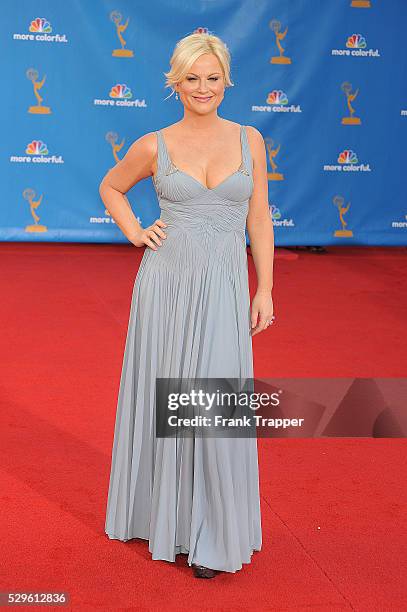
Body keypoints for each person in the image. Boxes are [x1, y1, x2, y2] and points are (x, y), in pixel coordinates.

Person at [99, 32, 275, 579]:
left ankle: (214, 534)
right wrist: (134, 232)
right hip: (166, 286)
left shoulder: (251, 140)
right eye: (192, 78)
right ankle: (170, 522)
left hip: (223, 287)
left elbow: (259, 218)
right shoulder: (155, 144)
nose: (203, 88)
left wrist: (265, 287)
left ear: (227, 80)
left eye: (213, 77)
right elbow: (111, 186)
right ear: (176, 83)